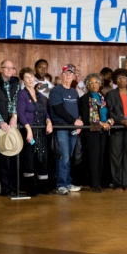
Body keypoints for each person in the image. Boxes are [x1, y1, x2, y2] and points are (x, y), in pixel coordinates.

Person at [17, 67, 53, 196]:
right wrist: (28, 129)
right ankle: (30, 187)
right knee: (29, 158)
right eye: (27, 77)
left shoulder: (39, 94)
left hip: (41, 132)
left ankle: (43, 186)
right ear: (23, 80)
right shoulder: (22, 94)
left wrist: (49, 121)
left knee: (42, 157)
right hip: (30, 131)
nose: (30, 79)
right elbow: (20, 114)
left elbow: (45, 112)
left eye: (32, 77)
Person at [49, 64, 83, 195]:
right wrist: (74, 121)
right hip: (61, 127)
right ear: (61, 76)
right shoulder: (56, 91)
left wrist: (78, 123)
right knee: (63, 156)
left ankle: (67, 182)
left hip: (73, 128)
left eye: (71, 73)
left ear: (74, 76)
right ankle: (60, 184)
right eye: (66, 73)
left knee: (70, 157)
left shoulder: (74, 92)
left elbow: (77, 109)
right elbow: (58, 109)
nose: (68, 75)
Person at [78, 73, 113, 193]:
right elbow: (86, 117)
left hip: (103, 131)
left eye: (96, 82)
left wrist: (109, 120)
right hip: (91, 131)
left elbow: (106, 113)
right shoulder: (84, 98)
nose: (94, 85)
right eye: (91, 83)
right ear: (87, 85)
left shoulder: (102, 97)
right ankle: (94, 184)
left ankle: (101, 182)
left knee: (101, 156)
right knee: (93, 157)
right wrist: (100, 123)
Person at [0, 59, 19, 195]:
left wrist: (14, 116)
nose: (9, 71)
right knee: (2, 157)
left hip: (12, 125)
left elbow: (15, 102)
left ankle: (13, 186)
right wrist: (1, 122)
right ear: (1, 69)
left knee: (13, 156)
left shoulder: (16, 82)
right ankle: (4, 187)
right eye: (7, 68)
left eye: (12, 68)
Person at [107, 69, 127, 191]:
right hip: (117, 128)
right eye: (119, 78)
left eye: (124, 77)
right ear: (115, 80)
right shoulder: (111, 94)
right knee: (116, 156)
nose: (122, 80)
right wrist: (121, 120)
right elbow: (110, 111)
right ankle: (117, 184)